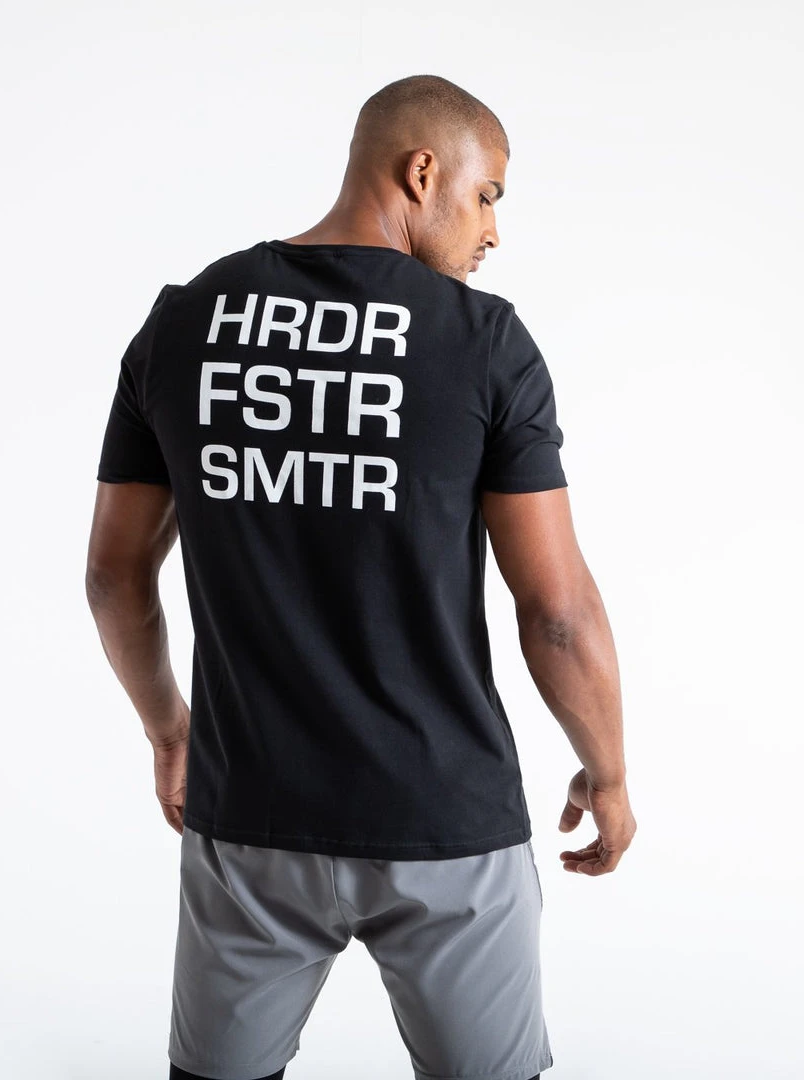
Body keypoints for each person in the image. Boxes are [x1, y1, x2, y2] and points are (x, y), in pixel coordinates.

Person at [85, 73, 637, 1080]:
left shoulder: (183, 322)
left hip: (249, 817)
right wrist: (607, 773)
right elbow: (557, 613)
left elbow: (115, 577)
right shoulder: (483, 344)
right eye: (487, 195)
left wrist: (170, 731)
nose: (493, 232)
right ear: (422, 173)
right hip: (445, 826)